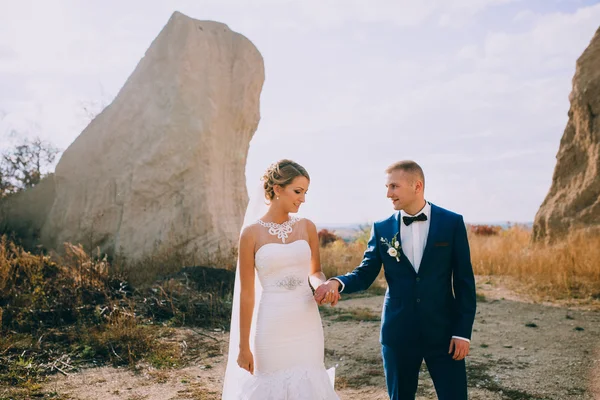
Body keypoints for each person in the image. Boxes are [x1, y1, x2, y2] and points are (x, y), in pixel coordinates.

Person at [315, 160, 476, 400]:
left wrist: (462, 333)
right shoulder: (382, 228)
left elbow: (464, 282)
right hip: (398, 331)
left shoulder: (451, 223)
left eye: (394, 186)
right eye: (387, 186)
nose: (388, 194)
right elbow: (365, 272)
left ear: (417, 186)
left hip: (444, 331)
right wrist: (337, 283)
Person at [222, 159, 339, 400]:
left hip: (306, 321)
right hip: (271, 323)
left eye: (305, 192)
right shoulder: (251, 234)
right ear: (277, 189)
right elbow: (246, 293)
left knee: (310, 380)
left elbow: (315, 272)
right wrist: (244, 347)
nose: (303, 199)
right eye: (298, 191)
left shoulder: (307, 227)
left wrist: (322, 286)